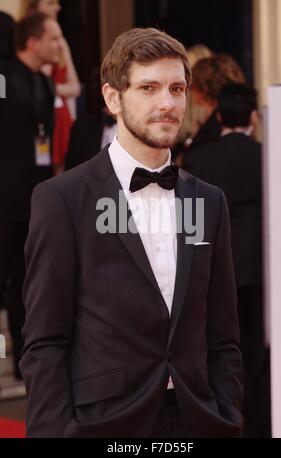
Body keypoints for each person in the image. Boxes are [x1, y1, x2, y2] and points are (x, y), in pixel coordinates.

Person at [20, 28, 243, 438]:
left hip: (195, 422)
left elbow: (223, 334)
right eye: (148, 87)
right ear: (112, 98)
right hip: (104, 425)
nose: (167, 103)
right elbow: (45, 341)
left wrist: (226, 412)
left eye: (177, 88)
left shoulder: (209, 201)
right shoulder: (63, 199)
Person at [183, 83, 271, 437]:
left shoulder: (199, 159)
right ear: (252, 116)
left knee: (221, 346)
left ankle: (230, 419)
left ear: (218, 116)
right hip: (262, 266)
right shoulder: (267, 154)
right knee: (259, 350)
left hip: (215, 264)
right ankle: (263, 424)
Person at [0, 12, 62, 380]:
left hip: (34, 198)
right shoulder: (2, 79)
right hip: (2, 198)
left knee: (28, 283)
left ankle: (24, 361)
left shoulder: (46, 84)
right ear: (32, 41)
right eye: (54, 38)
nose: (59, 45)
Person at [26, 0, 81, 174]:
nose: (57, 8)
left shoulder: (61, 43)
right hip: (37, 115)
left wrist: (50, 88)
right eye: (50, 3)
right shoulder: (25, 39)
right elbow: (33, 83)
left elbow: (75, 88)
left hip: (60, 116)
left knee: (62, 173)